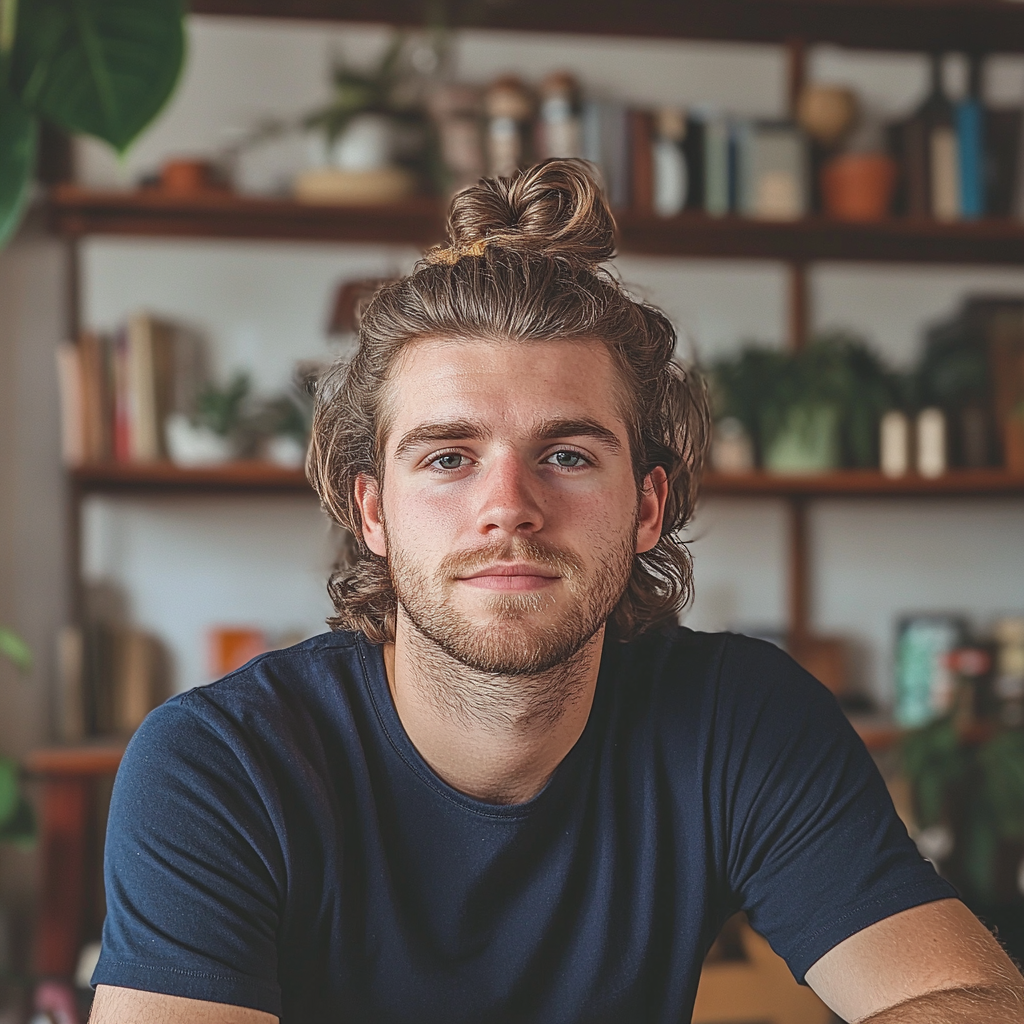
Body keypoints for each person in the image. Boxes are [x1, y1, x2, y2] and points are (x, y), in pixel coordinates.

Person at [90, 160, 1023, 1024]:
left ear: (648, 506)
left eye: (567, 455)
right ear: (371, 512)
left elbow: (972, 996)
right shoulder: (219, 766)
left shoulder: (739, 719)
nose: (510, 509)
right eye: (449, 457)